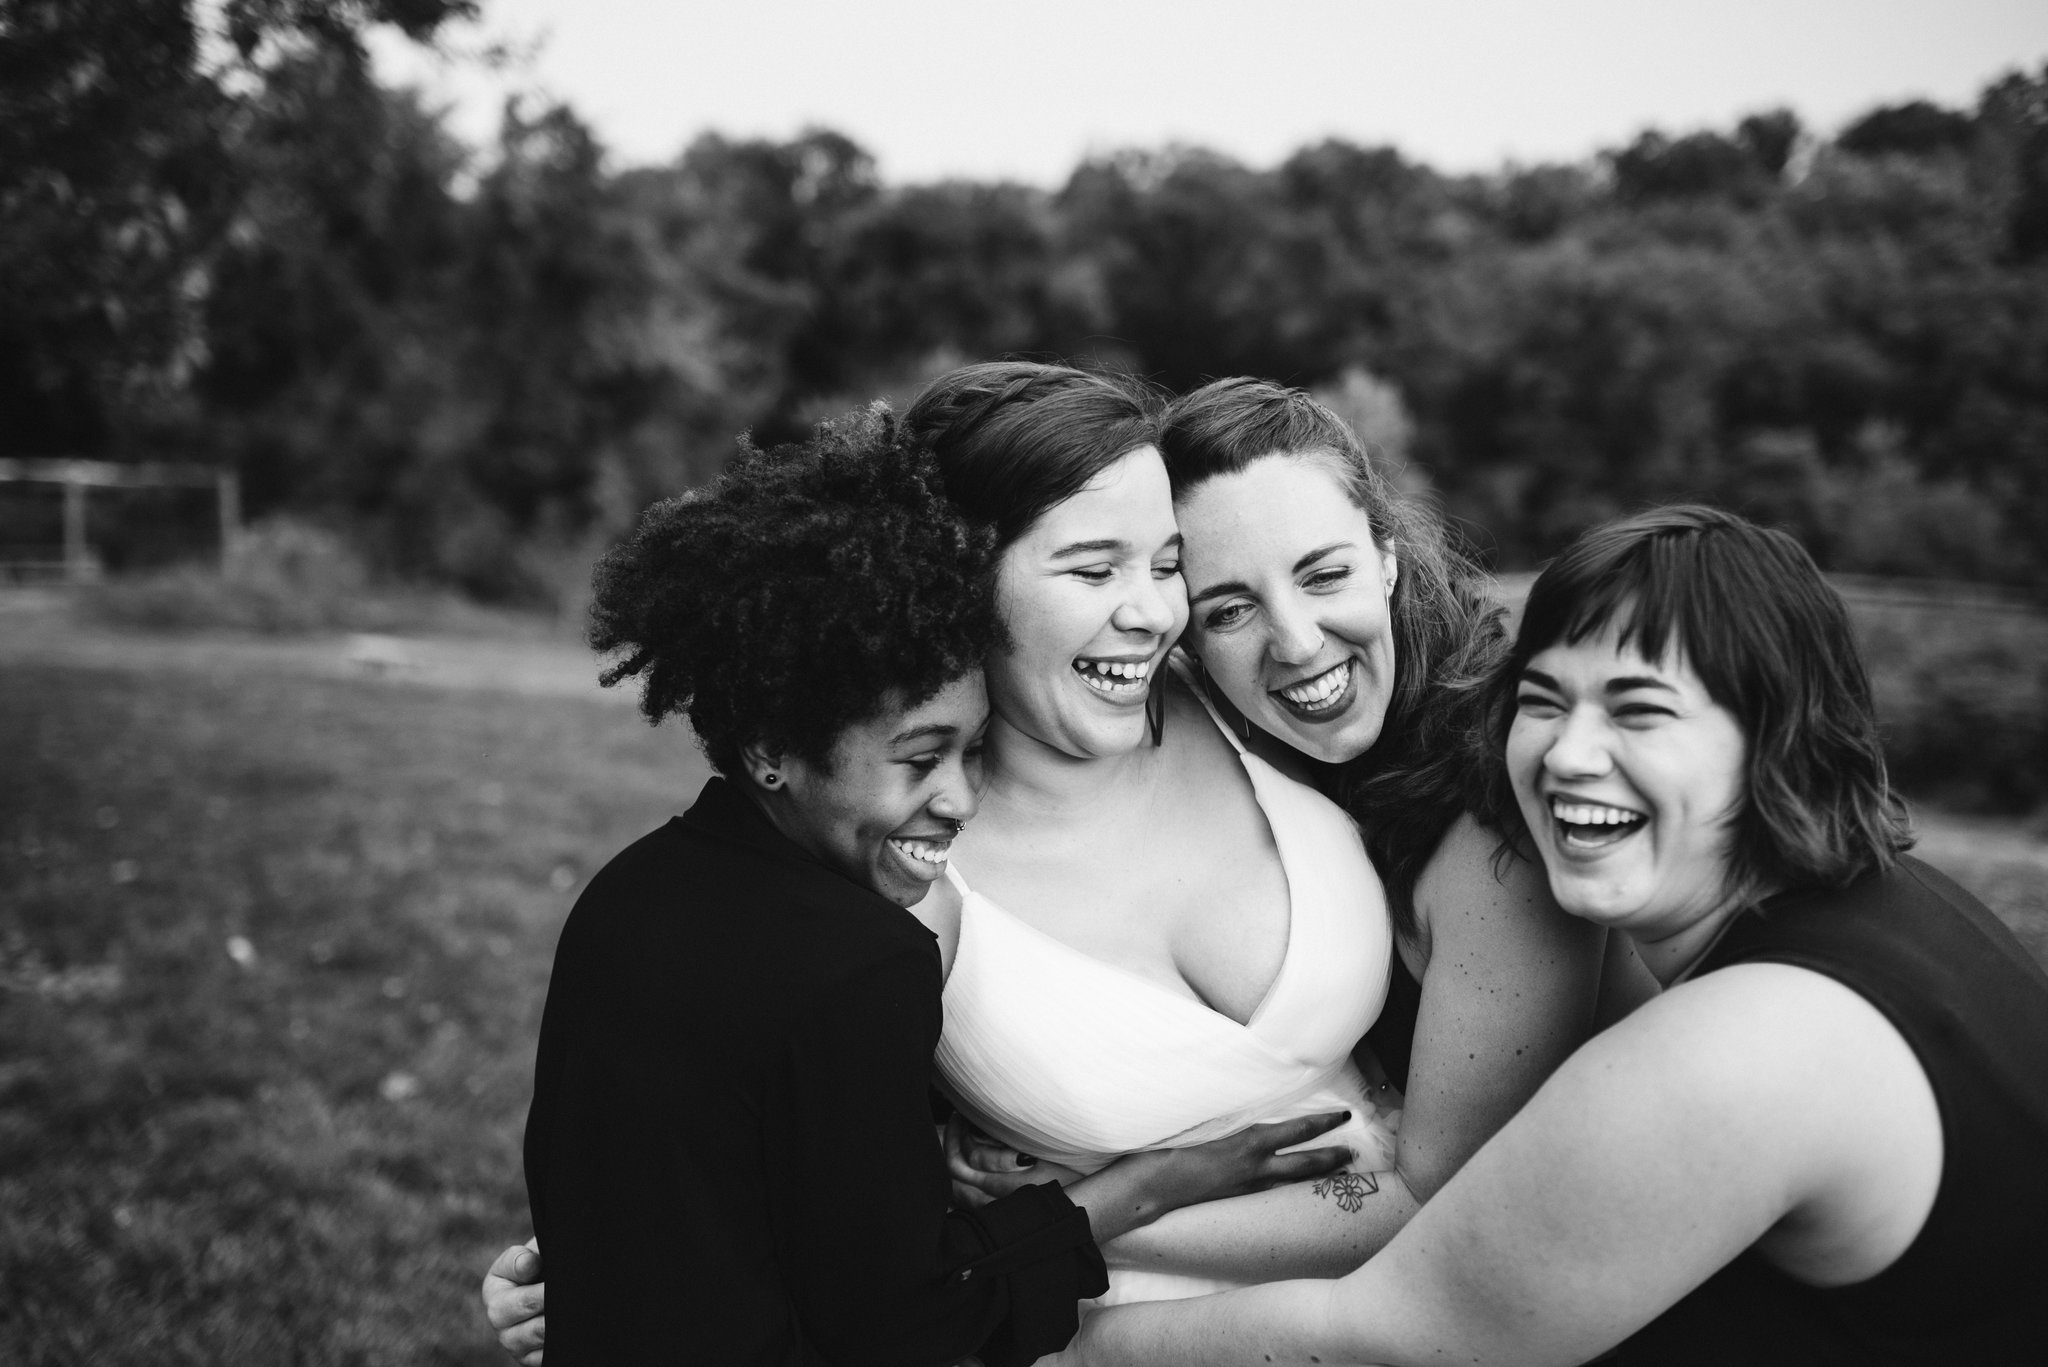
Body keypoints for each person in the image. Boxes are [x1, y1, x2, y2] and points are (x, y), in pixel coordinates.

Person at [485, 365, 1621, 1350]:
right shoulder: (909, 864)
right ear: (968, 579)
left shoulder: (1235, 690)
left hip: (1442, 1279)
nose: (1152, 612)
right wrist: (595, 1263)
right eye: (1092, 570)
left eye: (1165, 562)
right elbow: (783, 1131)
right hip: (1116, 1325)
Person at [1063, 505, 2048, 1366]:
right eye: (1542, 701)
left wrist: (1050, 1344)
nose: (1568, 755)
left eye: (1639, 711)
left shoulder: (1738, 1047)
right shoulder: (1906, 905)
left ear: (1772, 735)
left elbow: (1383, 1332)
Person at [518, 405, 1354, 1367]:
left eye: (971, 748)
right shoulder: (862, 963)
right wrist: (1154, 1183)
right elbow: (912, 1321)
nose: (958, 797)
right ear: (770, 751)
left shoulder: (628, 891)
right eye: (920, 760)